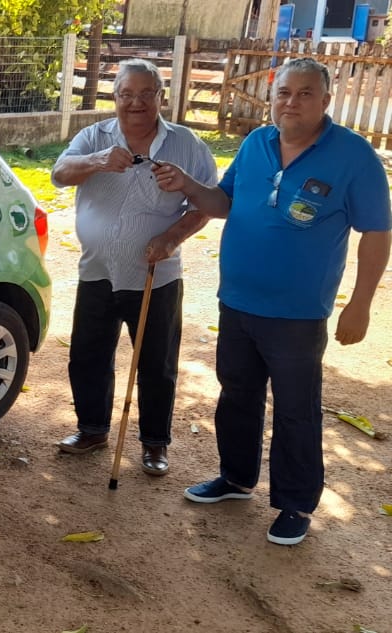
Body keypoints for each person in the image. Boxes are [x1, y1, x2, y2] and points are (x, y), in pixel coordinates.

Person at [154, 57, 390, 545]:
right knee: (236, 395)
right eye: (284, 92)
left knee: (296, 409)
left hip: (298, 314)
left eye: (305, 93)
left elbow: (376, 232)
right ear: (272, 94)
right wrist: (189, 186)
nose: (292, 102)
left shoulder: (354, 156)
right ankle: (236, 479)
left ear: (325, 101)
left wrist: (360, 302)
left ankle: (296, 504)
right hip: (237, 301)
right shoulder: (256, 143)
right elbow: (224, 203)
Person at [50, 58, 217, 476]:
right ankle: (91, 430)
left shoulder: (186, 145)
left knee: (156, 363)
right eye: (127, 94)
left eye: (146, 94)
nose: (136, 103)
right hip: (97, 271)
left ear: (161, 97)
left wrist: (171, 238)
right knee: (88, 355)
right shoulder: (94, 136)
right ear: (115, 97)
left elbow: (207, 204)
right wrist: (97, 161)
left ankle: (155, 444)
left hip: (155, 276)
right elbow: (58, 174)